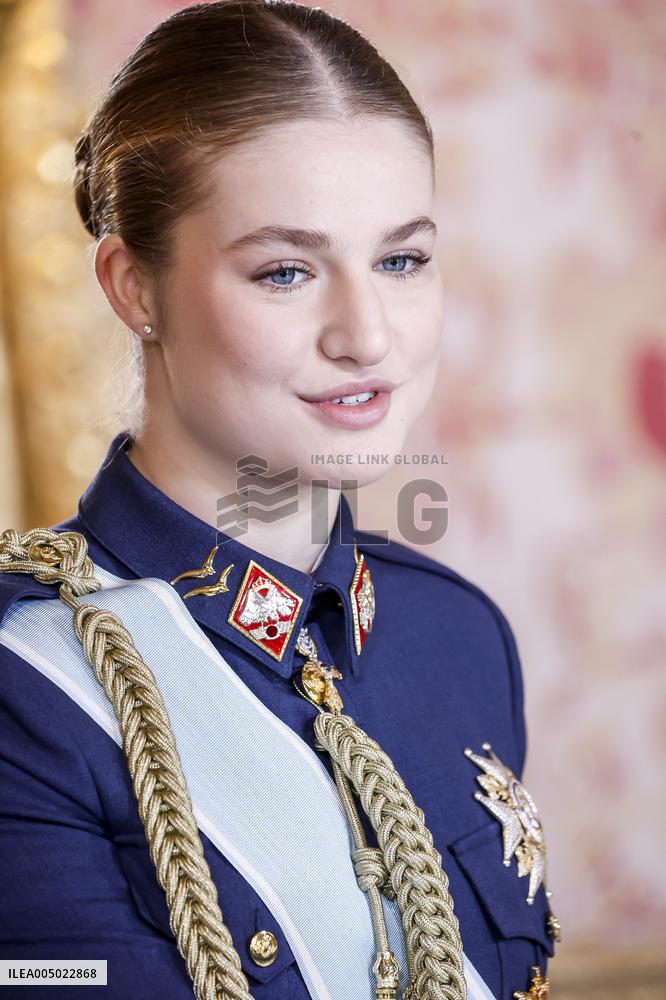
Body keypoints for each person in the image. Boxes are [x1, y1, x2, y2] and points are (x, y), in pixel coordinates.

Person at [0, 3, 559, 999]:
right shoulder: (27, 687)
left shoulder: (456, 634)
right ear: (133, 287)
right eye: (285, 271)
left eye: (401, 259)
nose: (367, 335)